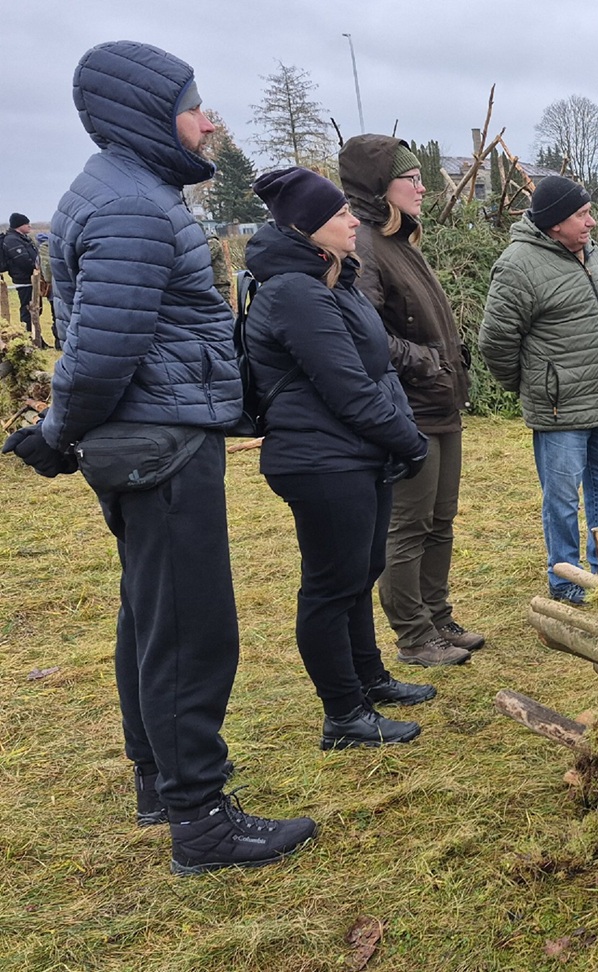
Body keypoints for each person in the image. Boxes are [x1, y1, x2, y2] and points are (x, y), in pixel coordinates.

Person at [0, 40, 316, 875]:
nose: (210, 121)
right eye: (194, 105)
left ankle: (160, 782)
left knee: (151, 616)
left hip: (150, 437)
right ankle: (201, 817)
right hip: (159, 444)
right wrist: (60, 432)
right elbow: (102, 353)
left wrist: (65, 432)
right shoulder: (135, 207)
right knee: (189, 629)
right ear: (146, 114)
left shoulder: (124, 193)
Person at [244, 166, 445, 750]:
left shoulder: (335, 279)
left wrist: (393, 440)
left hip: (357, 454)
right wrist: (408, 441)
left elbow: (376, 364)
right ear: (307, 227)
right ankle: (343, 715)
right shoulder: (296, 293)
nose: (353, 221)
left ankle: (369, 679)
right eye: (339, 215)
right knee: (331, 586)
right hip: (321, 461)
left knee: (361, 575)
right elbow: (348, 387)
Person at [339, 135, 482, 665]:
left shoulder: (402, 240)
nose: (423, 187)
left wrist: (449, 365)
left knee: (441, 520)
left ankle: (438, 617)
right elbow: (367, 335)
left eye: (422, 177)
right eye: (411, 178)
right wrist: (430, 362)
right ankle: (414, 636)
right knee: (409, 525)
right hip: (410, 409)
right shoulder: (369, 248)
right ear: (380, 187)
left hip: (442, 404)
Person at [479, 176, 598, 605]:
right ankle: (566, 579)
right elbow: (495, 340)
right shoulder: (518, 265)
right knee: (563, 500)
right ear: (554, 225)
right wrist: (531, 385)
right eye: (581, 215)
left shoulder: (592, 253)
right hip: (559, 411)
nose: (591, 222)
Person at [2, 213, 39, 345]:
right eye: (26, 223)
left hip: (31, 279)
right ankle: (29, 338)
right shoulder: (12, 240)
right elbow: (23, 261)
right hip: (24, 280)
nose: (29, 225)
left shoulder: (23, 238)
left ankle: (36, 337)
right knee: (28, 309)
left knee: (35, 308)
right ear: (19, 225)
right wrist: (36, 268)